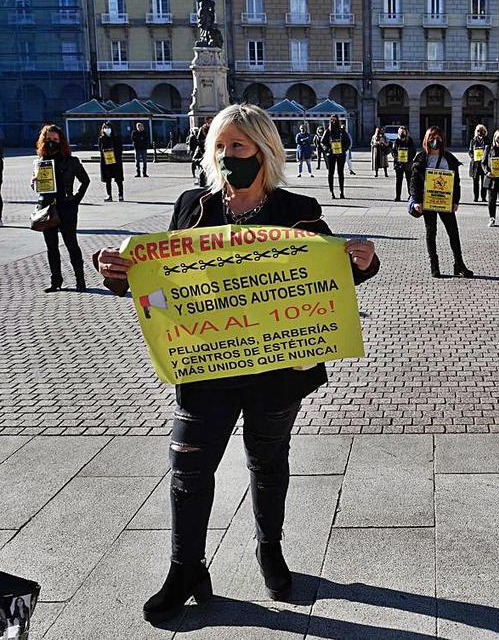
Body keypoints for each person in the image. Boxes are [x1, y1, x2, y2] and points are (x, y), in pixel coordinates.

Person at [93, 104, 379, 624]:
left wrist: (363, 260)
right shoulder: (191, 209)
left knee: (267, 462)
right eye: (220, 148)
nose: (227, 157)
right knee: (189, 464)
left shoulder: (299, 210)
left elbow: (328, 279)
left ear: (265, 153)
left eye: (239, 147)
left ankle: (270, 548)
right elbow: (160, 287)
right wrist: (119, 274)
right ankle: (186, 568)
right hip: (206, 367)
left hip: (276, 372)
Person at [410, 126, 472, 278]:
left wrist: (456, 201)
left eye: (438, 138)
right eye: (431, 138)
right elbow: (414, 182)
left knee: (453, 233)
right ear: (426, 139)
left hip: (446, 202)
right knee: (431, 233)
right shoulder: (421, 158)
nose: (435, 141)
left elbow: (456, 182)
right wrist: (417, 200)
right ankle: (434, 265)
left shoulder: (449, 158)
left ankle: (459, 264)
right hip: (428, 202)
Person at [34, 124, 89, 293]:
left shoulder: (71, 161)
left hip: (66, 207)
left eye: (55, 139)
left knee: (71, 243)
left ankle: (80, 280)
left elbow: (85, 181)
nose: (52, 143)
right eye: (48, 139)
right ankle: (55, 280)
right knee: (51, 246)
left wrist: (75, 200)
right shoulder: (41, 162)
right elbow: (39, 186)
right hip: (47, 208)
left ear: (61, 141)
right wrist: (35, 183)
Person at [319, 115, 351, 199]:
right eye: (332, 120)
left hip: (340, 154)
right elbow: (322, 142)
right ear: (330, 121)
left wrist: (343, 149)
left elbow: (348, 142)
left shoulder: (342, 131)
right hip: (331, 155)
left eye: (335, 120)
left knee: (341, 173)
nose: (334, 122)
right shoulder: (327, 131)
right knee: (331, 173)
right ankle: (332, 192)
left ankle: (341, 192)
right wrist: (328, 149)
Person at [97, 121, 126, 202]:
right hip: (106, 161)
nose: (107, 129)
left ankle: (121, 195)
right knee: (108, 179)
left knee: (118, 179)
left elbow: (120, 149)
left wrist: (115, 154)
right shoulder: (101, 139)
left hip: (116, 161)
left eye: (108, 128)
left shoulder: (116, 138)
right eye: (105, 128)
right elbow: (100, 149)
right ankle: (109, 195)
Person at [390, 125, 416, 201]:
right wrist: (398, 158)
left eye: (403, 131)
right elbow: (393, 152)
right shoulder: (396, 141)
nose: (402, 133)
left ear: (406, 132)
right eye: (400, 131)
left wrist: (409, 158)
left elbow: (413, 151)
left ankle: (410, 196)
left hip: (408, 164)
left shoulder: (410, 141)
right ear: (398, 132)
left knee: (409, 181)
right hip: (399, 164)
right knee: (399, 181)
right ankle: (398, 196)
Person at [469, 124, 488, 202]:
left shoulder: (487, 140)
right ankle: (476, 197)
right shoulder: (473, 140)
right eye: (478, 130)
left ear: (485, 131)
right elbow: (470, 151)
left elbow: (489, 150)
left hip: (484, 163)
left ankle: (483, 197)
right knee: (475, 182)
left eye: (482, 130)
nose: (480, 132)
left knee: (484, 181)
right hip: (475, 163)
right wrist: (474, 157)